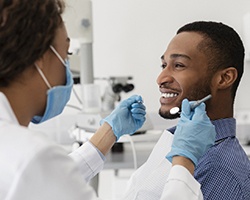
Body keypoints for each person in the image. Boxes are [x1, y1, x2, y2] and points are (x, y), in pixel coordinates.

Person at [0, 1, 216, 199]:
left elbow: (47, 182)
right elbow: (44, 177)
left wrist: (108, 132)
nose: (161, 78)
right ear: (40, 59)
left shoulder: (25, 159)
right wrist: (184, 162)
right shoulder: (32, 158)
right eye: (66, 54)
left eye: (178, 65)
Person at [122, 21, 250, 200]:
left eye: (179, 65)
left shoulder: (222, 171)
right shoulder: (179, 143)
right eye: (163, 65)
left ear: (224, 78)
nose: (161, 78)